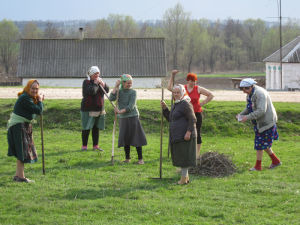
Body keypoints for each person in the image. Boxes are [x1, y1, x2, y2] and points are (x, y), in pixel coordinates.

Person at [167, 70, 214, 160]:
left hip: (196, 114)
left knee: (197, 133)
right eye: (190, 80)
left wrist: (202, 103)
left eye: (194, 80)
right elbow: (170, 87)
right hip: (184, 114)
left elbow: (211, 95)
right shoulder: (183, 88)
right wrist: (172, 75)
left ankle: (196, 154)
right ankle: (185, 152)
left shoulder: (198, 89)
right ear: (187, 81)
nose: (192, 82)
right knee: (184, 133)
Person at [237, 78, 281, 171]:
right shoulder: (250, 94)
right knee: (263, 144)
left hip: (266, 122)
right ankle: (276, 161)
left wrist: (247, 117)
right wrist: (241, 115)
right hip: (259, 123)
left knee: (259, 145)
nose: (244, 92)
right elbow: (249, 107)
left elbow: (261, 110)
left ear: (251, 86)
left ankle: (258, 166)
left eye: (246, 89)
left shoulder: (260, 94)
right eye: (242, 89)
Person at [7, 80, 44, 183]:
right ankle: (21, 177)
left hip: (21, 125)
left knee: (21, 151)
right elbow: (39, 111)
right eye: (33, 88)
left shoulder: (28, 98)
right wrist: (40, 101)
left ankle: (18, 175)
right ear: (28, 88)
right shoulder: (25, 98)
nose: (35, 91)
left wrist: (38, 100)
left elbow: (35, 109)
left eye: (37, 89)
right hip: (18, 126)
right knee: (22, 151)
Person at [161, 84, 197, 184]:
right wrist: (165, 108)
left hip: (185, 135)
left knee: (184, 157)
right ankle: (186, 178)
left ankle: (183, 179)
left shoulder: (185, 103)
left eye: (178, 92)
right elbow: (170, 119)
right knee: (181, 156)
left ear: (182, 93)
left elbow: (192, 119)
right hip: (177, 135)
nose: (176, 94)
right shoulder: (176, 104)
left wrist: (188, 132)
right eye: (174, 92)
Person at [109, 74, 147, 164]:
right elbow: (111, 98)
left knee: (136, 137)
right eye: (127, 83)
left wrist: (119, 111)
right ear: (123, 83)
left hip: (133, 117)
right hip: (123, 118)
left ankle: (140, 159)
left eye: (131, 83)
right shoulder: (119, 91)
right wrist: (115, 87)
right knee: (125, 137)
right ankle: (127, 158)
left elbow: (131, 106)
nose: (129, 85)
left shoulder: (133, 92)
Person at [80, 66, 109, 151]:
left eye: (98, 73)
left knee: (96, 128)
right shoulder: (86, 82)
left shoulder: (100, 81)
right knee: (86, 127)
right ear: (91, 74)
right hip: (88, 109)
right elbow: (92, 91)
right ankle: (84, 146)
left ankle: (95, 146)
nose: (97, 75)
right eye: (95, 73)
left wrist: (103, 84)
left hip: (99, 108)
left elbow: (107, 90)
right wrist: (96, 84)